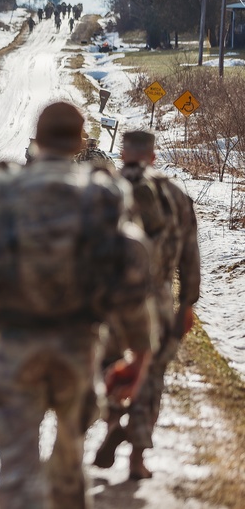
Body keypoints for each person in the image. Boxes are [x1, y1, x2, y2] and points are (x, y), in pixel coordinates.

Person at [0, 102, 155, 509]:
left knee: (16, 463)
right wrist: (139, 351)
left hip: (16, 342)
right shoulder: (103, 195)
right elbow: (133, 276)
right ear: (80, 142)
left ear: (36, 140)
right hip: (79, 345)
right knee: (71, 455)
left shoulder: (4, 191)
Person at [93, 130, 201, 480]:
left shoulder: (104, 189)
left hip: (111, 298)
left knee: (110, 364)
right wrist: (187, 303)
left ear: (123, 153)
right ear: (153, 156)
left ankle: (113, 421)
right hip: (158, 299)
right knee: (151, 372)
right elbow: (190, 255)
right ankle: (138, 457)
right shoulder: (176, 195)